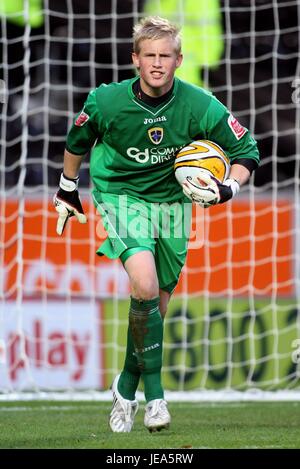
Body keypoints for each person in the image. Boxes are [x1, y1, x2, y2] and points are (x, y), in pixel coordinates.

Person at [53, 16, 260, 433]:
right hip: (120, 196)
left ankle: (125, 386)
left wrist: (227, 189)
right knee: (144, 285)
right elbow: (77, 142)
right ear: (135, 59)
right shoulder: (106, 101)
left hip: (171, 205)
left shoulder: (200, 104)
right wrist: (68, 186)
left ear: (179, 60)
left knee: (155, 308)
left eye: (166, 56)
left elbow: (247, 150)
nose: (157, 63)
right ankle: (157, 398)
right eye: (149, 55)